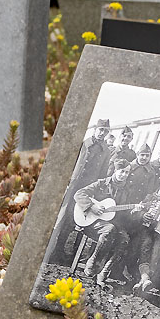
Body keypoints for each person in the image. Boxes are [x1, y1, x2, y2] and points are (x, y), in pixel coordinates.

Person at [44, 118, 111, 266]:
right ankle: (52, 251)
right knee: (63, 218)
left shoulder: (106, 150)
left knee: (79, 220)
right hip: (73, 186)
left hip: (86, 191)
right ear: (95, 129)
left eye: (105, 131)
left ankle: (66, 253)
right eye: (101, 130)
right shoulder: (84, 143)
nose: (102, 133)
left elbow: (103, 173)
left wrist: (95, 191)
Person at [70, 159, 136, 283]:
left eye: (127, 172)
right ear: (115, 170)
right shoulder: (102, 183)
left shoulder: (127, 190)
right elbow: (79, 194)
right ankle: (93, 261)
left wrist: (134, 210)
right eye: (122, 171)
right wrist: (91, 206)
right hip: (92, 222)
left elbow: (123, 212)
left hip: (112, 222)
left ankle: (104, 271)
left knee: (124, 240)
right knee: (109, 229)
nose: (124, 175)